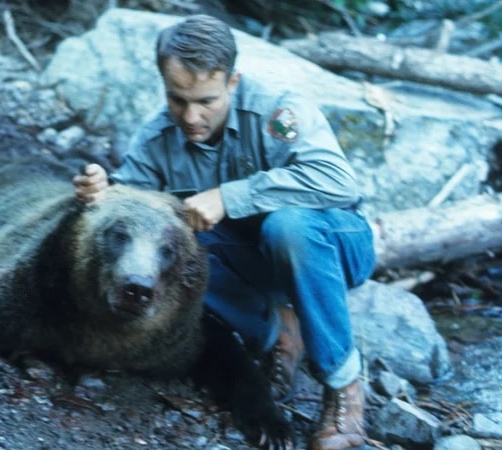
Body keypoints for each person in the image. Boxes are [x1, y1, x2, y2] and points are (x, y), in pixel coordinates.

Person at [73, 14, 376, 450]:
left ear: (233, 82)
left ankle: (345, 388)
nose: (191, 117)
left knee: (288, 226)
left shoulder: (277, 111)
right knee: (179, 250)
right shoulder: (158, 136)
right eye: (177, 100)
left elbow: (337, 181)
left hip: (332, 244)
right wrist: (99, 192)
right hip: (252, 261)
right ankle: (275, 329)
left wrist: (229, 197)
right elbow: (129, 206)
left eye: (207, 101)